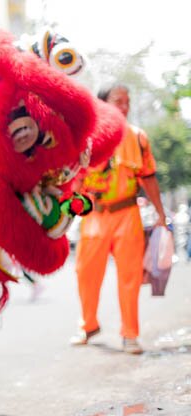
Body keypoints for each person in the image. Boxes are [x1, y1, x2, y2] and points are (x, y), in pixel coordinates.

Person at [72, 83, 167, 354]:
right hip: (94, 215)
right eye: (118, 101)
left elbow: (148, 178)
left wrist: (161, 214)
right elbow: (75, 180)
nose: (124, 107)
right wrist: (66, 212)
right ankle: (88, 324)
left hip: (128, 213)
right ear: (102, 104)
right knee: (85, 273)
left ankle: (130, 334)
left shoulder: (138, 137)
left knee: (130, 276)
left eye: (127, 101)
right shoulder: (86, 137)